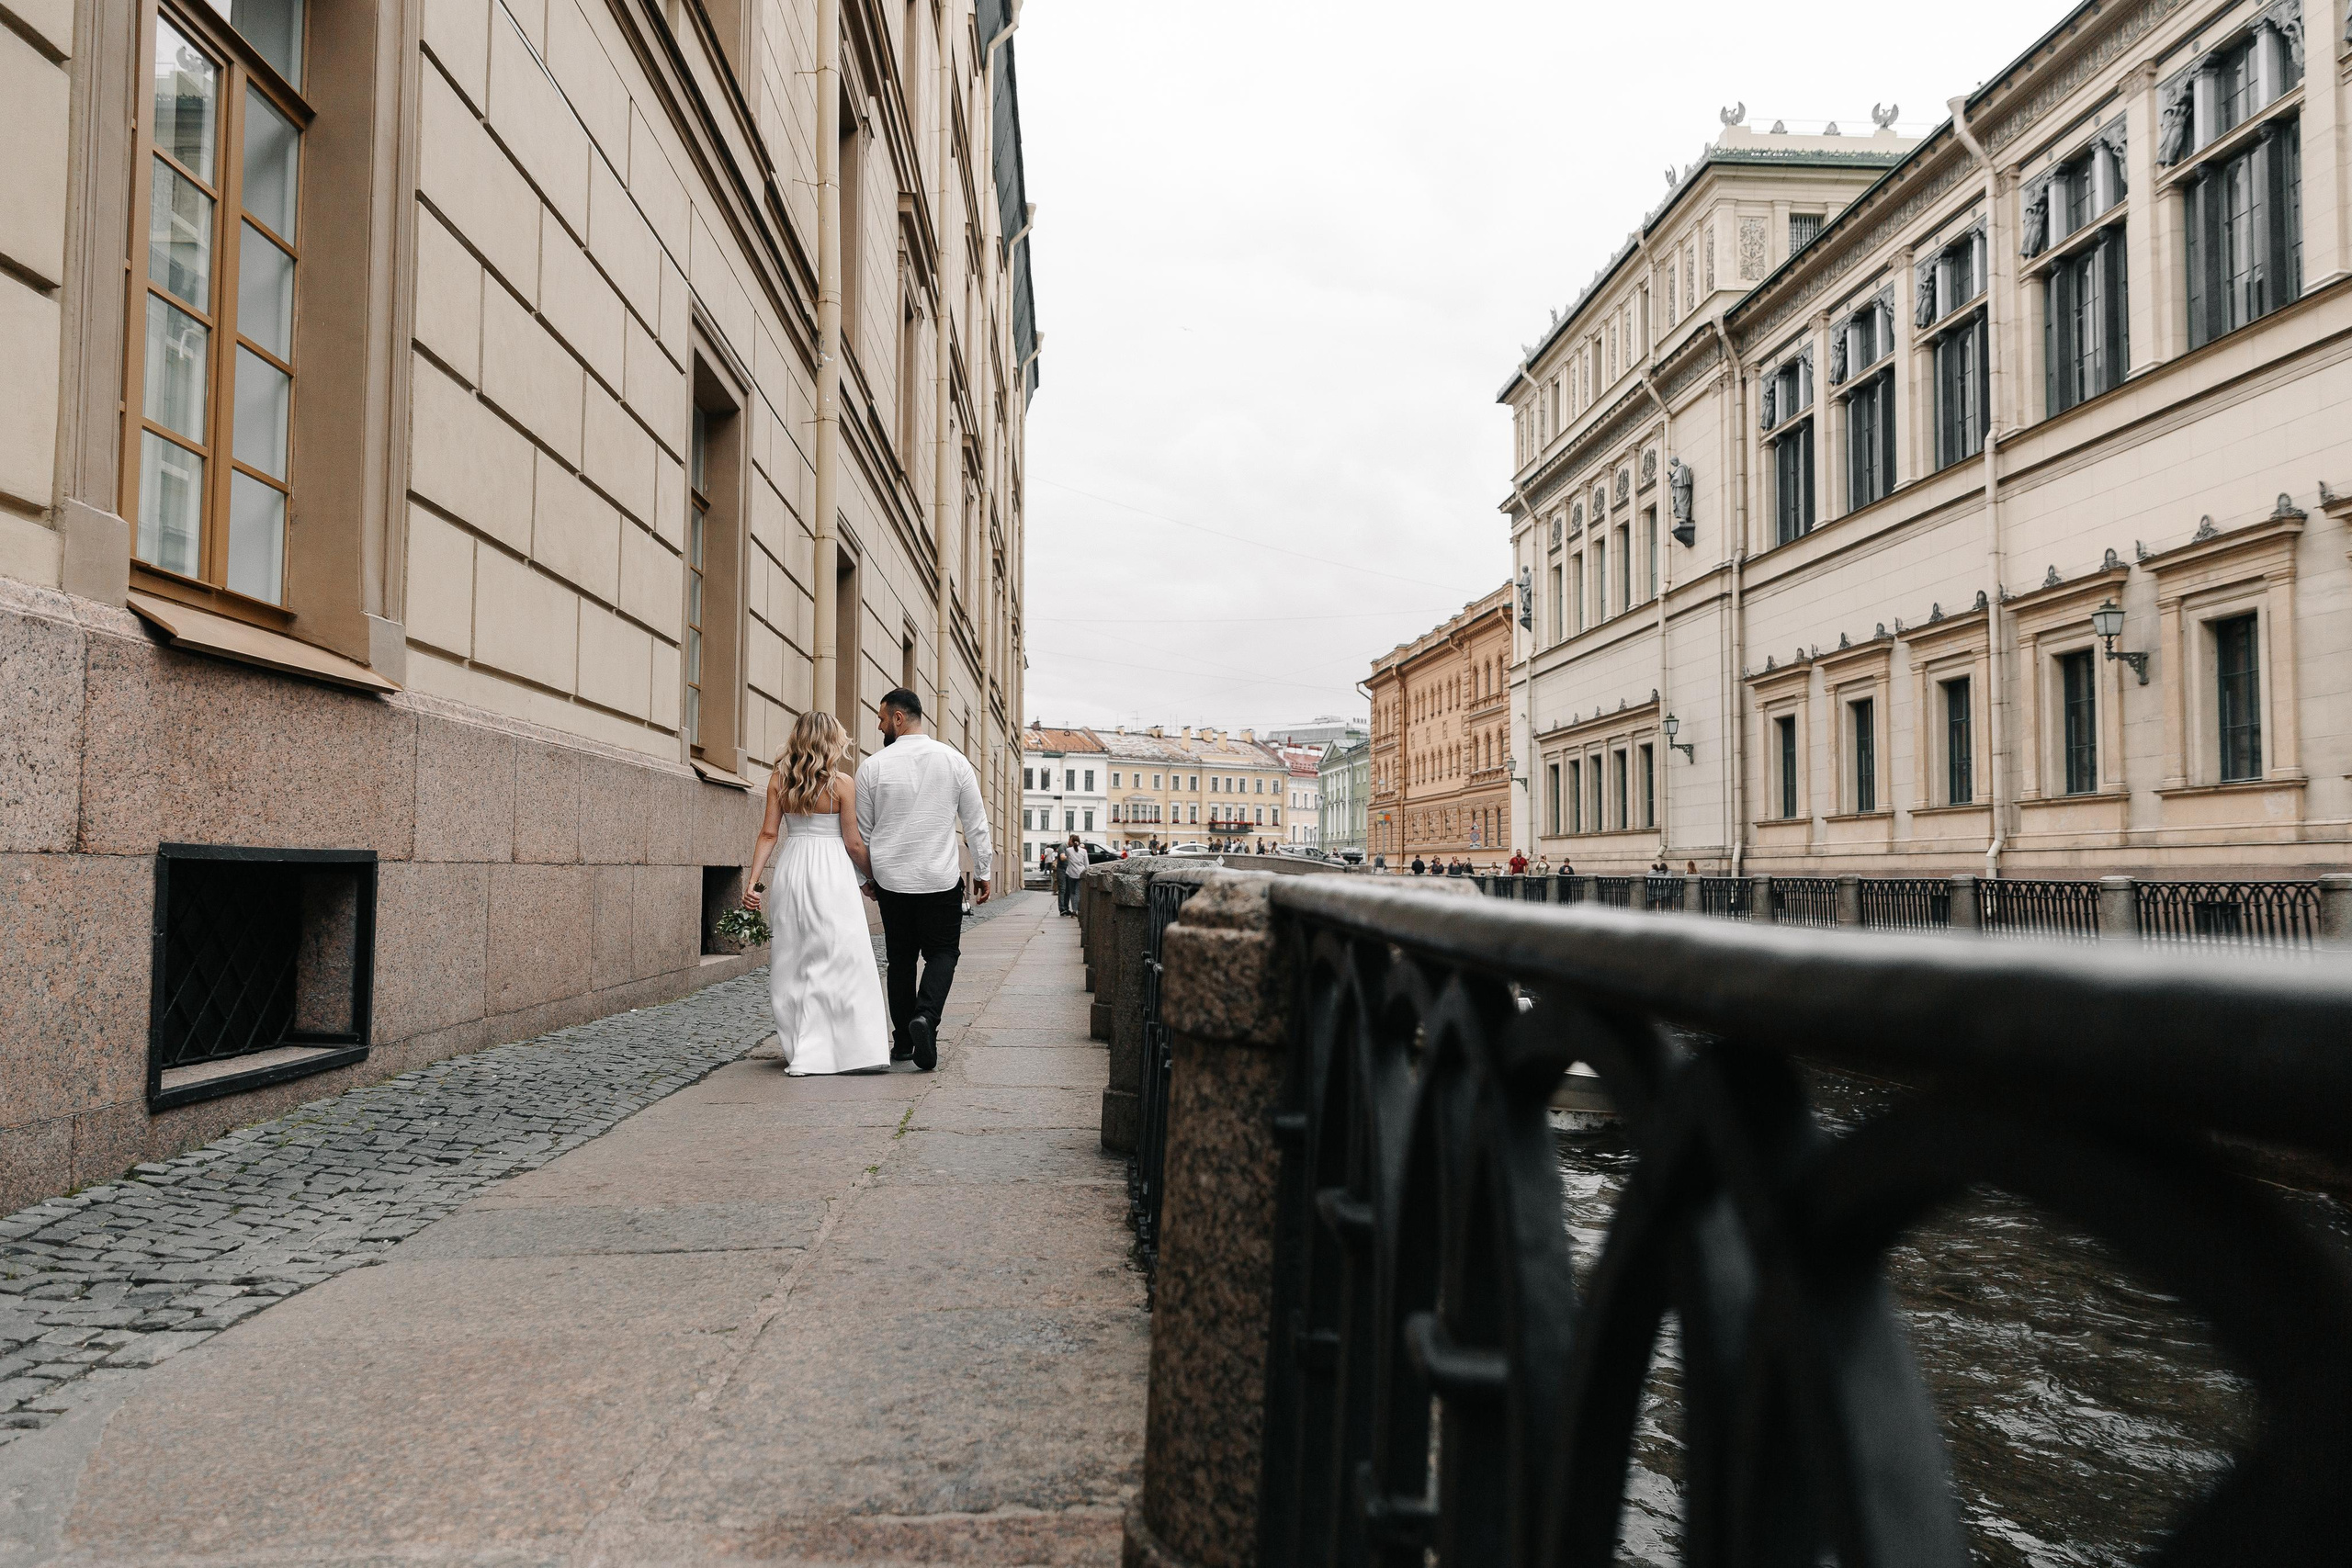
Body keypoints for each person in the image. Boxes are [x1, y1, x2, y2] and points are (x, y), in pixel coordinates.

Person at [741, 711, 890, 1076]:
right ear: (830, 742)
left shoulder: (780, 780)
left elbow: (768, 834)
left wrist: (753, 882)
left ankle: (802, 1046)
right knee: (841, 955)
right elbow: (854, 843)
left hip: (793, 869)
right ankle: (845, 1048)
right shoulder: (842, 784)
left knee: (795, 956)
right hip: (832, 872)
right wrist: (873, 880)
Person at [856, 688, 992, 1073]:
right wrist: (982, 871)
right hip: (939, 878)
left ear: (899, 718)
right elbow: (976, 823)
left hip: (892, 881)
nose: (880, 726)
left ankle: (902, 1042)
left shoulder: (873, 767)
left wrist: (865, 878)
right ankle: (926, 1018)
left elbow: (863, 831)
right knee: (943, 953)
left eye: (882, 718)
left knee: (899, 959)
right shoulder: (955, 761)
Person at [1057, 834, 1086, 916]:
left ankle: (1066, 908)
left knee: (1068, 890)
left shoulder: (1073, 848)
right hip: (1062, 870)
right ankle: (1062, 908)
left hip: (1070, 871)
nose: (1073, 844)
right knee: (1062, 889)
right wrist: (1070, 856)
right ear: (1069, 840)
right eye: (1072, 842)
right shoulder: (1063, 847)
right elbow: (1062, 858)